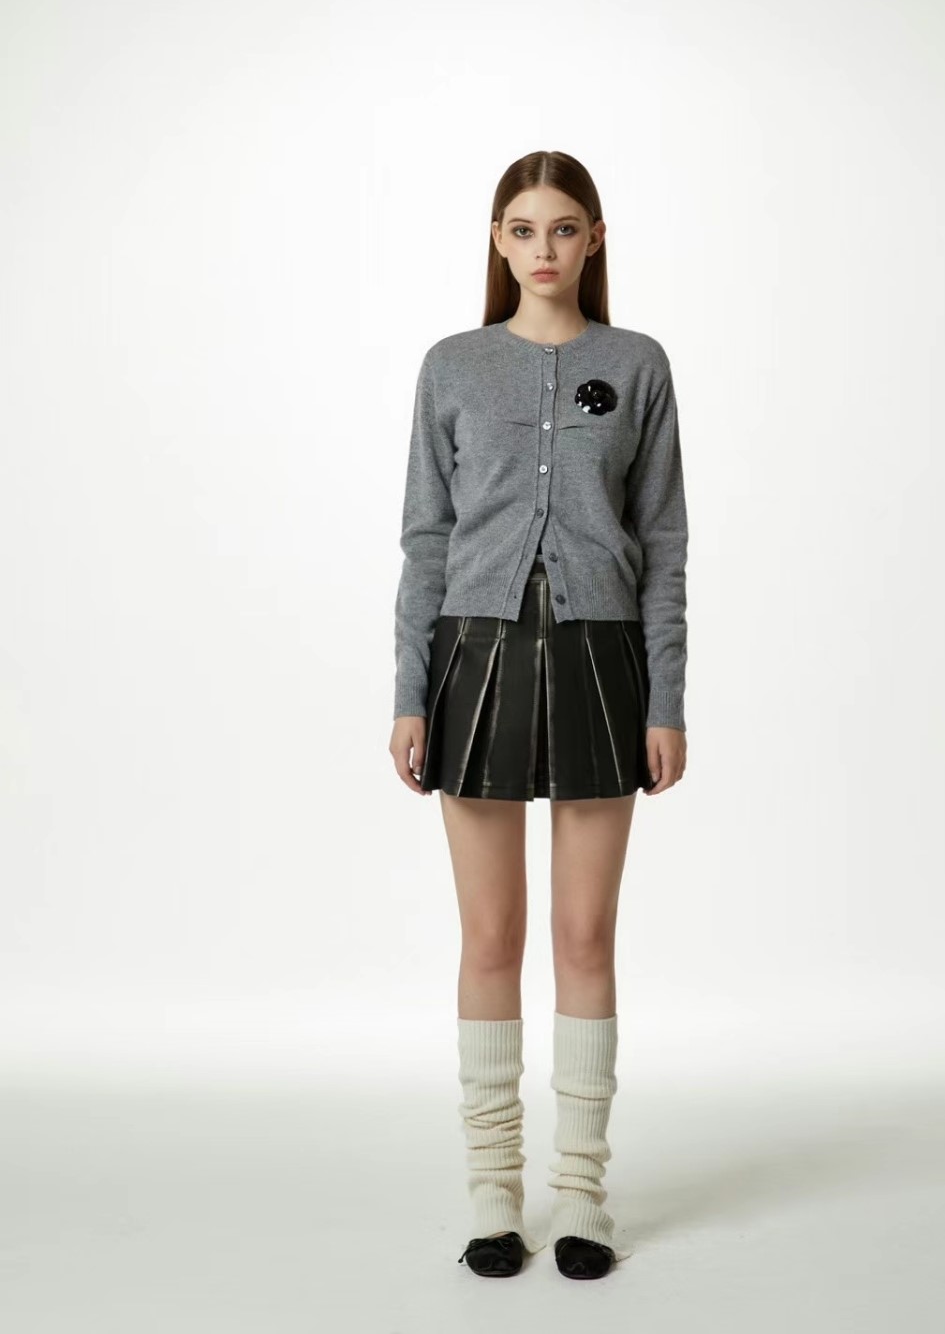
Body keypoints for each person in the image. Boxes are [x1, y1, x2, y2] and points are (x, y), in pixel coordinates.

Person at [388, 151, 689, 1280]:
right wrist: (409, 691)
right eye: (523, 229)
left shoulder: (637, 364)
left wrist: (668, 696)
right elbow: (426, 539)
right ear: (497, 240)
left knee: (584, 937)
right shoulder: (453, 366)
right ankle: (491, 1192)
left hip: (606, 661)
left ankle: (584, 1195)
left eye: (564, 228)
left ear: (594, 239)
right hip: (473, 658)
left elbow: (664, 543)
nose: (544, 248)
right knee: (490, 938)